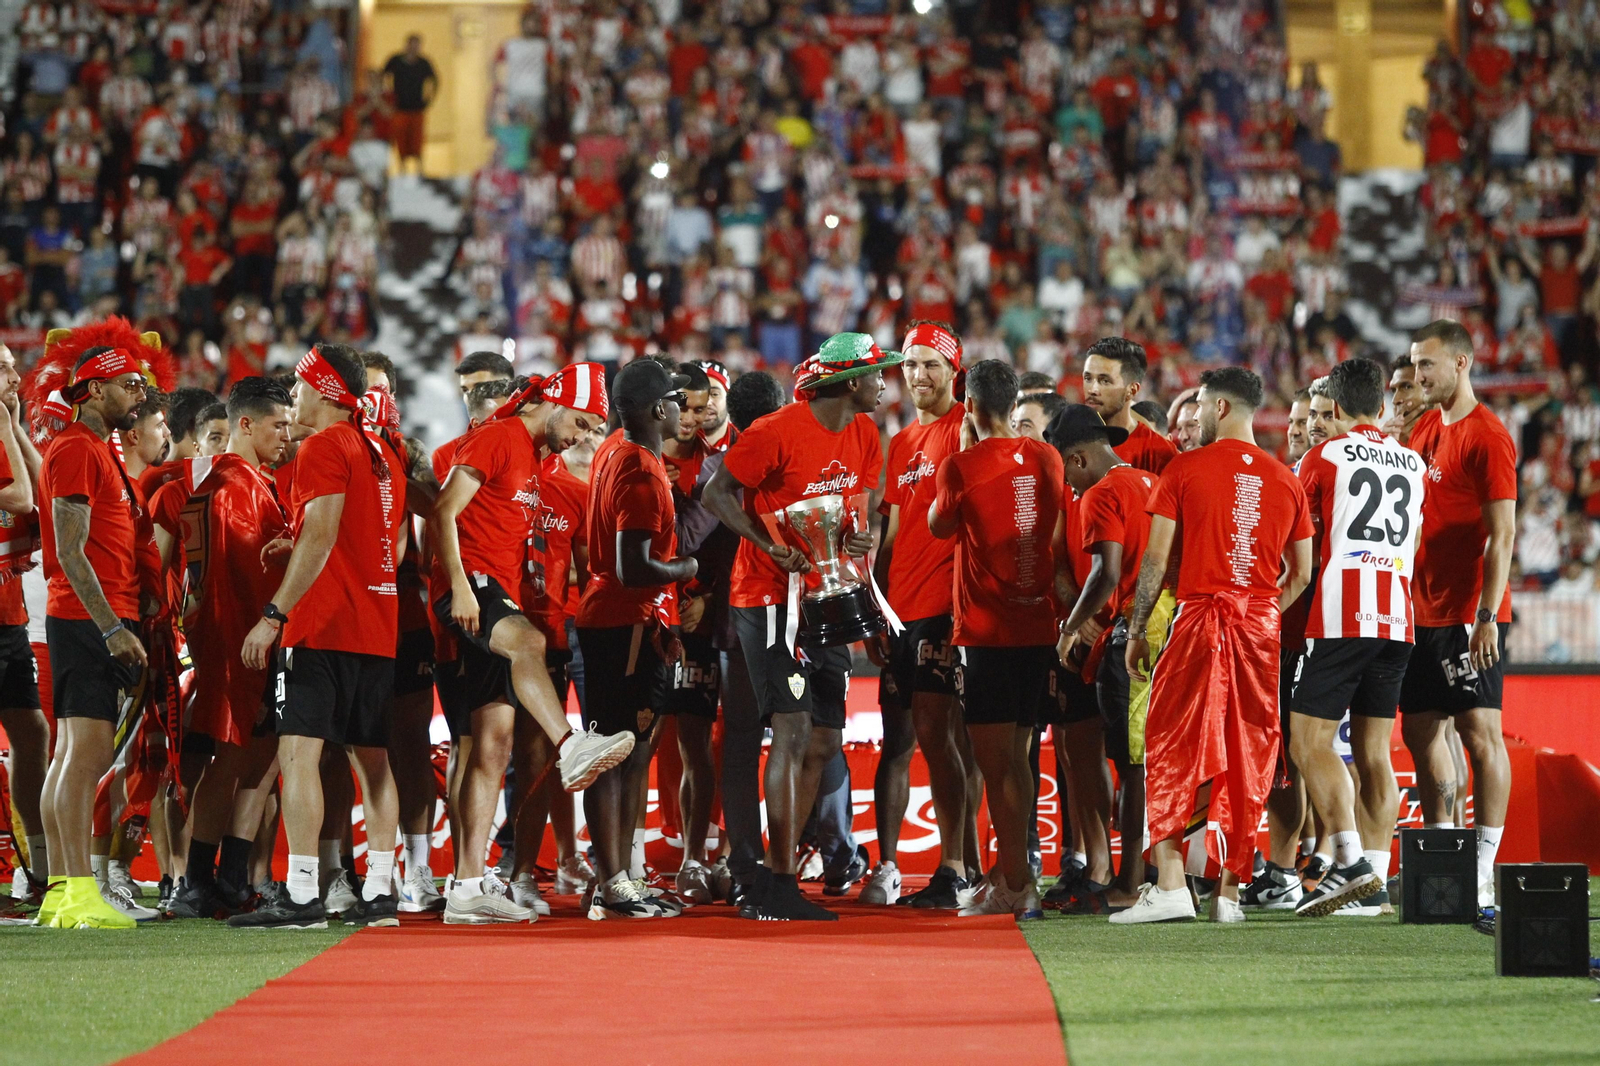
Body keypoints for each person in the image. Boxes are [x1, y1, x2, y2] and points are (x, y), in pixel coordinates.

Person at [703, 332, 897, 921]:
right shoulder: (774, 432)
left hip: (829, 599)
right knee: (788, 730)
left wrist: (865, 541)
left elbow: (860, 513)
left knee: (822, 739)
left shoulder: (866, 433)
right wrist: (765, 543)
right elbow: (716, 493)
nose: (885, 382)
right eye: (875, 372)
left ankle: (779, 870)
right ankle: (778, 882)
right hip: (768, 599)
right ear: (847, 382)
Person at [430, 362, 630, 924]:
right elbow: (444, 510)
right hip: (473, 586)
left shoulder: (533, 456)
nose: (585, 437)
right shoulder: (497, 436)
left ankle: (467, 887)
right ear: (559, 402)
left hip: (494, 588)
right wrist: (462, 587)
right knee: (530, 643)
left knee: (493, 745)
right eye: (585, 422)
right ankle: (571, 747)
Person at [1113, 367, 1313, 925]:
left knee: (1172, 743)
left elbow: (1155, 559)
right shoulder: (1284, 479)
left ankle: (1173, 884)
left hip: (1200, 619)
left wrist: (1135, 630)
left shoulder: (1184, 469)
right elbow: (1302, 571)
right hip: (1261, 631)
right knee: (1250, 755)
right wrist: (1264, 609)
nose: (1194, 417)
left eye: (1199, 406)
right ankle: (1229, 894)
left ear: (1220, 408)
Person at [229, 344, 409, 930]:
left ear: (327, 390)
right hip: (377, 626)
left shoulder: (326, 445)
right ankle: (381, 891)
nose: (293, 397)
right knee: (374, 764)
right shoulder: (382, 449)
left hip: (321, 625)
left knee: (297, 754)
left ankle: (304, 893)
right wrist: (305, 539)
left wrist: (273, 613)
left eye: (300, 387)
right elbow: (382, 542)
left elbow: (326, 534)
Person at [927, 358, 1064, 919]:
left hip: (986, 631)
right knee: (1020, 758)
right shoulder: (1047, 456)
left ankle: (1015, 882)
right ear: (1013, 405)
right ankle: (1013, 873)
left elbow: (939, 527)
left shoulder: (961, 465)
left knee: (996, 765)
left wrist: (962, 448)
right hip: (1039, 626)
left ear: (971, 407)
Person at [1289, 357, 1424, 918]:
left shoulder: (1321, 458)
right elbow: (1412, 545)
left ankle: (1348, 865)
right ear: (1381, 404)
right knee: (1373, 753)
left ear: (1337, 408)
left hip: (1343, 612)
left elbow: (1297, 543)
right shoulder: (1414, 463)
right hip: (1398, 613)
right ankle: (1374, 880)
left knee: (1308, 742)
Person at [158, 378, 294, 919]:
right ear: (245, 425)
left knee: (254, 761)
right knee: (232, 757)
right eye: (278, 425)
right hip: (242, 639)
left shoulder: (242, 482)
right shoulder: (236, 486)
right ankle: (198, 881)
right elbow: (240, 573)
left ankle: (226, 878)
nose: (287, 435)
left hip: (239, 636)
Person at [1398, 319, 1516, 910]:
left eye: (1428, 365)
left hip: (1471, 614)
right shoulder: (1424, 430)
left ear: (1462, 364)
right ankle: (1445, 851)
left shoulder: (1487, 435)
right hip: (1420, 611)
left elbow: (1503, 533)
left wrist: (1487, 615)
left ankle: (1486, 864)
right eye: (1416, 365)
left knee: (1479, 733)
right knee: (1420, 730)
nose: (1419, 375)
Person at [36, 347, 154, 929]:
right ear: (92, 389)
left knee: (69, 756)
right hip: (90, 618)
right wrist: (111, 627)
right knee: (84, 757)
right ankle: (80, 890)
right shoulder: (79, 448)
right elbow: (68, 549)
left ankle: (62, 889)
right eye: (129, 383)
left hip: (87, 615)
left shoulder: (88, 448)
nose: (140, 393)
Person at [577, 359, 699, 917]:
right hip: (627, 621)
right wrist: (685, 567)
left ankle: (618, 875)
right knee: (616, 753)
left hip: (614, 620)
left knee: (621, 750)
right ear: (657, 410)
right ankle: (613, 881)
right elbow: (635, 566)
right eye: (676, 400)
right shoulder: (644, 471)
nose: (683, 410)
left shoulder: (612, 451)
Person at [866, 321, 976, 908]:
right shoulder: (903, 442)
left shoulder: (968, 429)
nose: (919, 375)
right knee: (903, 740)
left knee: (940, 737)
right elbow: (892, 533)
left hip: (945, 608)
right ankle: (904, 867)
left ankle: (954, 867)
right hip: (901, 611)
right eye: (910, 365)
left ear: (954, 370)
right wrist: (879, 607)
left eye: (931, 364)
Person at [1047, 403, 1157, 913]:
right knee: (1146, 763)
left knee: (1131, 767)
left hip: (1129, 639)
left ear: (1076, 459)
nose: (1066, 488)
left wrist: (1071, 628)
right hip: (1168, 631)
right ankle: (1152, 875)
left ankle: (1129, 883)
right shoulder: (1151, 484)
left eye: (1063, 471)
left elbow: (1106, 573)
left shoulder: (1100, 494)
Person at [0, 343, 42, 923]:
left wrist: (11, 424)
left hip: (9, 615)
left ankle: (37, 867)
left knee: (32, 735)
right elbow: (21, 498)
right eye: (3, 366)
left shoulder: (8, 426)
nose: (15, 373)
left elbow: (43, 491)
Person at [1080, 337, 1176, 474]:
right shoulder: (1068, 442)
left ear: (1132, 390)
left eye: (1105, 381)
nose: (1092, 389)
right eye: (1088, 378)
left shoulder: (1158, 452)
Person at [383, 36, 438, 174]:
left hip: (417, 108)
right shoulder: (395, 61)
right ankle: (402, 167)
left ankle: (420, 168)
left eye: (417, 45)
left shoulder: (424, 63)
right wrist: (387, 98)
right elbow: (384, 75)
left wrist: (428, 99)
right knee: (401, 138)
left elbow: (434, 81)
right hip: (400, 108)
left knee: (417, 139)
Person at [1382, 354, 1428, 446]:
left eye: (1407, 387)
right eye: (1394, 390)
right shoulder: (1385, 440)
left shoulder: (1455, 436)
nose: (1395, 400)